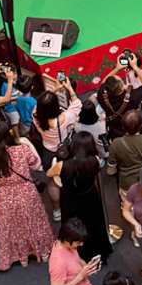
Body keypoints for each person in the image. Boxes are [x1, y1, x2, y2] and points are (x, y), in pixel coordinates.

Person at [0, 121, 54, 271]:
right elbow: (35, 165)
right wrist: (27, 143)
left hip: (4, 196)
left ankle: (21, 258)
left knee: (11, 229)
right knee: (35, 223)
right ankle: (43, 253)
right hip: (27, 193)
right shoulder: (21, 150)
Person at [47, 131, 113, 265]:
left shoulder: (63, 165)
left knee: (72, 226)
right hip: (89, 196)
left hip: (69, 199)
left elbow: (49, 173)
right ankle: (96, 253)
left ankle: (76, 255)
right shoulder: (94, 160)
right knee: (93, 225)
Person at [32, 80, 82, 221]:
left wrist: (53, 89)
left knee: (53, 183)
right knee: (71, 178)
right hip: (66, 151)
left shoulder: (36, 117)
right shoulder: (63, 118)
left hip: (48, 153)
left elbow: (38, 106)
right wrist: (69, 89)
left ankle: (56, 210)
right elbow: (77, 104)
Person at [107, 108, 142, 204]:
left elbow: (111, 166)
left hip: (127, 185)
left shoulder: (116, 143)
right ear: (140, 125)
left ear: (123, 126)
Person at [96, 53, 142, 141]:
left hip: (114, 132)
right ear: (122, 89)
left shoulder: (102, 96)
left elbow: (104, 82)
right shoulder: (132, 98)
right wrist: (135, 67)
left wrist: (117, 68)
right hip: (133, 129)